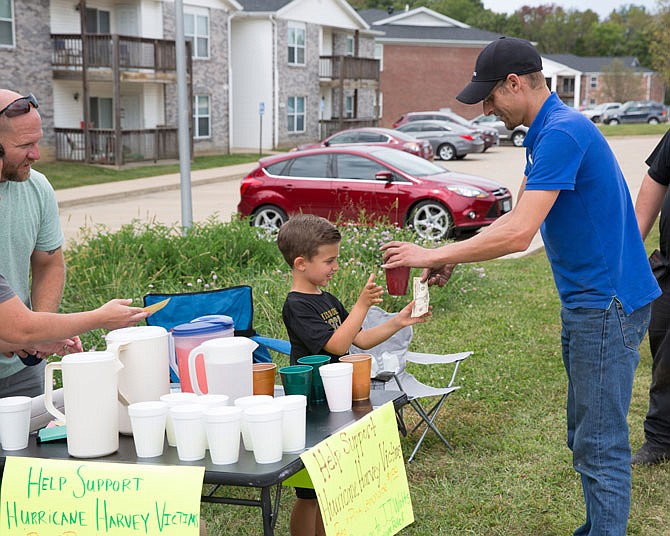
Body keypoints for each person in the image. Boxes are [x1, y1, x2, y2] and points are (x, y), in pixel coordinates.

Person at [381, 36, 660, 536]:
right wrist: (457, 260)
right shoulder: (546, 133)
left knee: (601, 444)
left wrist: (434, 251)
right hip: (590, 304)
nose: (487, 109)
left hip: (607, 305)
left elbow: (518, 235)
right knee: (585, 437)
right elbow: (516, 219)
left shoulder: (564, 133)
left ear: (515, 83)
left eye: (490, 97)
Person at [277, 213, 431, 536]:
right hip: (311, 405)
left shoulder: (326, 300)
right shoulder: (296, 305)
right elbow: (337, 343)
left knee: (329, 486)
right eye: (329, 261)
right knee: (309, 492)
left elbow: (360, 338)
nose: (335, 267)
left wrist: (398, 322)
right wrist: (361, 304)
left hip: (335, 404)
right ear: (301, 263)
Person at [0, 89, 80, 398]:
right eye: (25, 145)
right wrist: (27, 335)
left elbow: (49, 264)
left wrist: (39, 332)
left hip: (23, 369)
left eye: (38, 141)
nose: (37, 154)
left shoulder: (38, 188)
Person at [632, 130, 670, 465]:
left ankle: (659, 437)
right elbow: (656, 179)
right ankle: (660, 439)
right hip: (668, 266)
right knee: (661, 351)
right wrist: (629, 249)